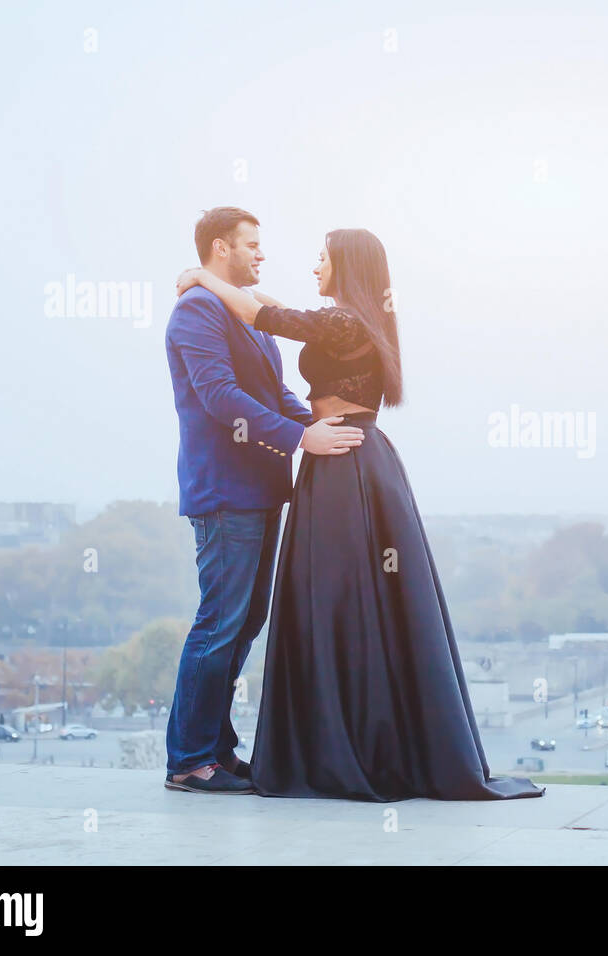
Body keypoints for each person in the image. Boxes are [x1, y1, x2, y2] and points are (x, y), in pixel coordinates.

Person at [176, 228, 545, 802]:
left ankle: (328, 746)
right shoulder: (353, 319)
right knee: (351, 603)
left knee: (336, 601)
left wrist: (202, 276)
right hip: (342, 454)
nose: (311, 266)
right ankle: (334, 744)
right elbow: (273, 313)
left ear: (345, 265)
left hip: (343, 461)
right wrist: (304, 435)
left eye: (321, 258)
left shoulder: (344, 321)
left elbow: (262, 313)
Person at [163, 208, 366, 794]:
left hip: (260, 489)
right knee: (218, 624)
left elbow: (273, 391)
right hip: (224, 492)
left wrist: (334, 429)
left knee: (244, 623)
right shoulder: (197, 310)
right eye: (252, 245)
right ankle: (189, 761)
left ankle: (217, 753)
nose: (261, 255)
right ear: (220, 248)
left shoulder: (242, 314)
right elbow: (221, 397)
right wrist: (304, 438)